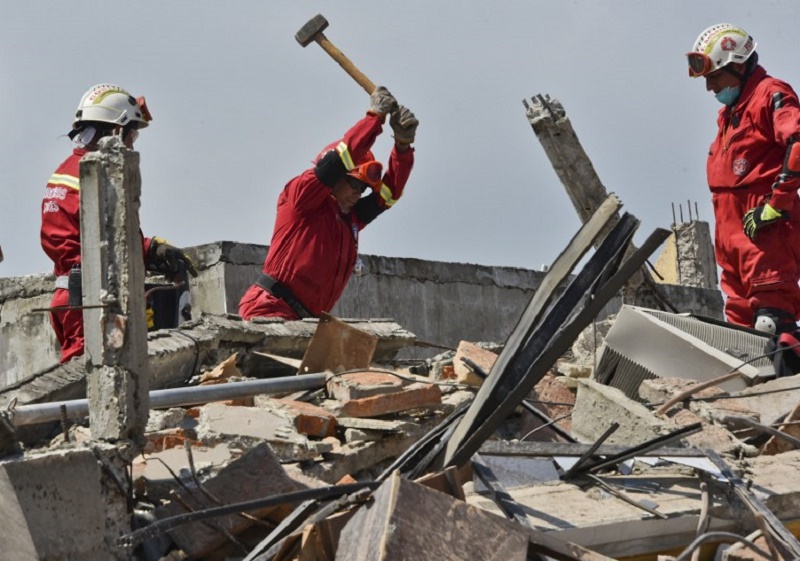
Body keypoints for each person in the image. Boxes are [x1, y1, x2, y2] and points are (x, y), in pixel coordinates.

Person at [41, 83, 197, 363]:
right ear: (116, 131)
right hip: (90, 300)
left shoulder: (66, 170)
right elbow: (115, 241)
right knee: (94, 384)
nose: (132, 143)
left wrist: (149, 248)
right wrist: (145, 250)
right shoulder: (100, 174)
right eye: (132, 134)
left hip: (69, 296)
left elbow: (90, 234)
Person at [238, 86, 417, 320]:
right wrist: (374, 119)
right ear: (335, 179)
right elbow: (342, 158)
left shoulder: (348, 219)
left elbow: (389, 194)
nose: (358, 193)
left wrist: (402, 147)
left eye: (363, 189)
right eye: (354, 185)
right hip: (271, 308)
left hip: (306, 320)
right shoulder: (301, 198)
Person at [687, 24, 800, 336]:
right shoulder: (730, 113)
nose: (710, 87)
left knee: (772, 323)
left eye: (714, 77)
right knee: (740, 333)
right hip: (732, 236)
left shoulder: (770, 94)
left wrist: (776, 204)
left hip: (764, 232)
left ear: (737, 65)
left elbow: (798, 143)